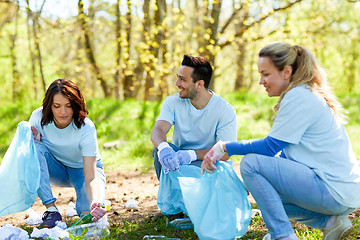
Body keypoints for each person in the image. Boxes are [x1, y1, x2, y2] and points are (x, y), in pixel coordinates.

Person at [201, 42, 360, 240]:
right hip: (341, 192)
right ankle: (330, 223)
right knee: (265, 191)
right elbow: (285, 153)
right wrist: (254, 183)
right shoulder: (304, 93)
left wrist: (225, 147)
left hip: (333, 190)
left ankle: (283, 236)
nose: (261, 81)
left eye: (266, 74)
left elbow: (270, 147)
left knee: (250, 163)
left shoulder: (298, 96)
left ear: (286, 72)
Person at [150, 55, 237, 215]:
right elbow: (158, 131)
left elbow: (225, 152)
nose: (177, 84)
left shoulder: (224, 110)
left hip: (208, 165)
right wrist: (164, 147)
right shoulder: (172, 102)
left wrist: (191, 155)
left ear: (199, 84)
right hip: (177, 163)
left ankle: (200, 207)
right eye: (177, 78)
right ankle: (175, 208)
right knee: (159, 151)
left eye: (182, 80)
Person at [29, 79, 107, 228]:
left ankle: (91, 206)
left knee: (89, 215)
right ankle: (51, 210)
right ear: (49, 105)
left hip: (82, 171)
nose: (62, 112)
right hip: (56, 168)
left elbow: (91, 177)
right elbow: (31, 156)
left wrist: (95, 200)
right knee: (33, 147)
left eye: (68, 106)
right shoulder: (38, 118)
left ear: (76, 105)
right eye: (57, 106)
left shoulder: (86, 128)